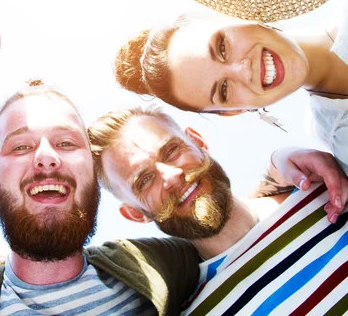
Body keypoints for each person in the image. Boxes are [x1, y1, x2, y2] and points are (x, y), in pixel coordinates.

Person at [0, 82, 201, 316]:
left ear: (94, 173)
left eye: (67, 143)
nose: (46, 157)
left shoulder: (164, 264)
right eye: (21, 146)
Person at [88, 106, 348, 315]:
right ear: (136, 214)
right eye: (144, 180)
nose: (172, 176)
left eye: (171, 151)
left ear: (197, 140)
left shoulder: (327, 181)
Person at [114, 0, 348, 174]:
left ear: (232, 14)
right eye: (224, 90)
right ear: (233, 111)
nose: (243, 70)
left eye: (222, 47)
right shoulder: (338, 137)